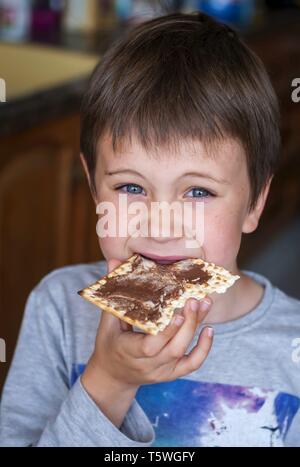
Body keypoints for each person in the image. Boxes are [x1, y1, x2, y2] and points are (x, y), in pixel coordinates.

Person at [1, 12, 299, 447]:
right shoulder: (58, 310)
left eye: (198, 192)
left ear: (254, 202)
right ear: (92, 185)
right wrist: (108, 382)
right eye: (130, 186)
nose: (160, 223)